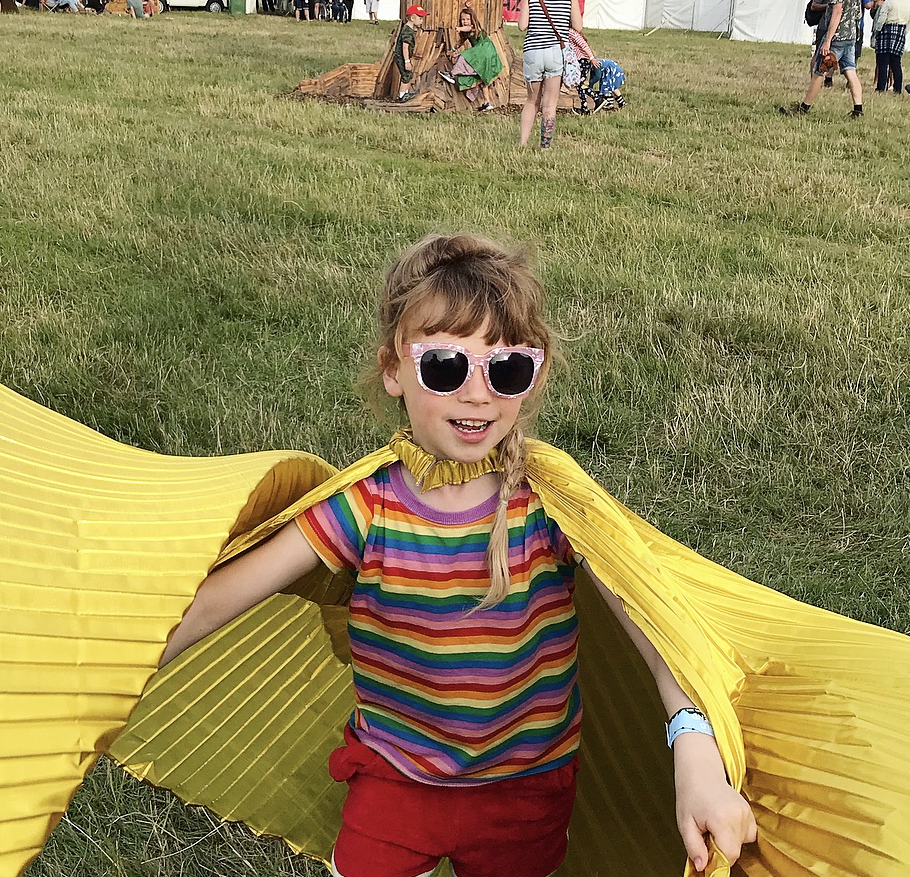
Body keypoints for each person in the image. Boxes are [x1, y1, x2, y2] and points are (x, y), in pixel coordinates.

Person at [159, 234, 757, 877]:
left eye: (507, 369)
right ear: (393, 370)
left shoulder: (550, 504)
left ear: (535, 375)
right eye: (445, 366)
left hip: (527, 791)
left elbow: (652, 623)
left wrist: (695, 749)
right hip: (394, 779)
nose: (477, 395)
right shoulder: (364, 508)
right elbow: (210, 604)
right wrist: (100, 669)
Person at [779, 0, 863, 118]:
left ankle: (803, 108)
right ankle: (858, 109)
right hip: (850, 36)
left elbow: (837, 12)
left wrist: (828, 40)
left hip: (837, 37)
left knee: (819, 70)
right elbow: (858, 13)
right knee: (850, 71)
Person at [517, 0, 577, 149]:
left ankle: (523, 143)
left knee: (531, 101)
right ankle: (544, 147)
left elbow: (522, 26)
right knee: (550, 105)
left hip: (533, 51)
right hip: (555, 52)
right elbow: (578, 26)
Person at [439, 2, 497, 111]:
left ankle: (452, 74)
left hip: (485, 49)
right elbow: (461, 41)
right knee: (482, 78)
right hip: (481, 53)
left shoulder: (475, 28)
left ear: (472, 20)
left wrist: (460, 28)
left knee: (464, 56)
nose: (465, 21)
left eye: (467, 19)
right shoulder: (467, 32)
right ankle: (487, 103)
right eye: (463, 19)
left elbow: (469, 28)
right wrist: (453, 50)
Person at [870, 0, 910, 94]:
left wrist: (877, 31)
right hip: (900, 31)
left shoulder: (889, 2)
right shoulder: (907, 4)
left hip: (887, 31)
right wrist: (904, 32)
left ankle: (881, 87)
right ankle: (898, 88)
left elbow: (882, 18)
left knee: (883, 62)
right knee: (896, 63)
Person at [394, 4, 425, 102]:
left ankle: (405, 93)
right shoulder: (407, 31)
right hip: (401, 57)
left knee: (409, 74)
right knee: (406, 75)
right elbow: (405, 47)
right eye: (420, 18)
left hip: (403, 57)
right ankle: (402, 96)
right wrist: (407, 61)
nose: (422, 21)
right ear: (412, 18)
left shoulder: (410, 29)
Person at [848, 0, 872, 65]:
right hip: (857, 25)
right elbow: (868, 5)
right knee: (854, 53)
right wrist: (874, 1)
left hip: (842, 25)